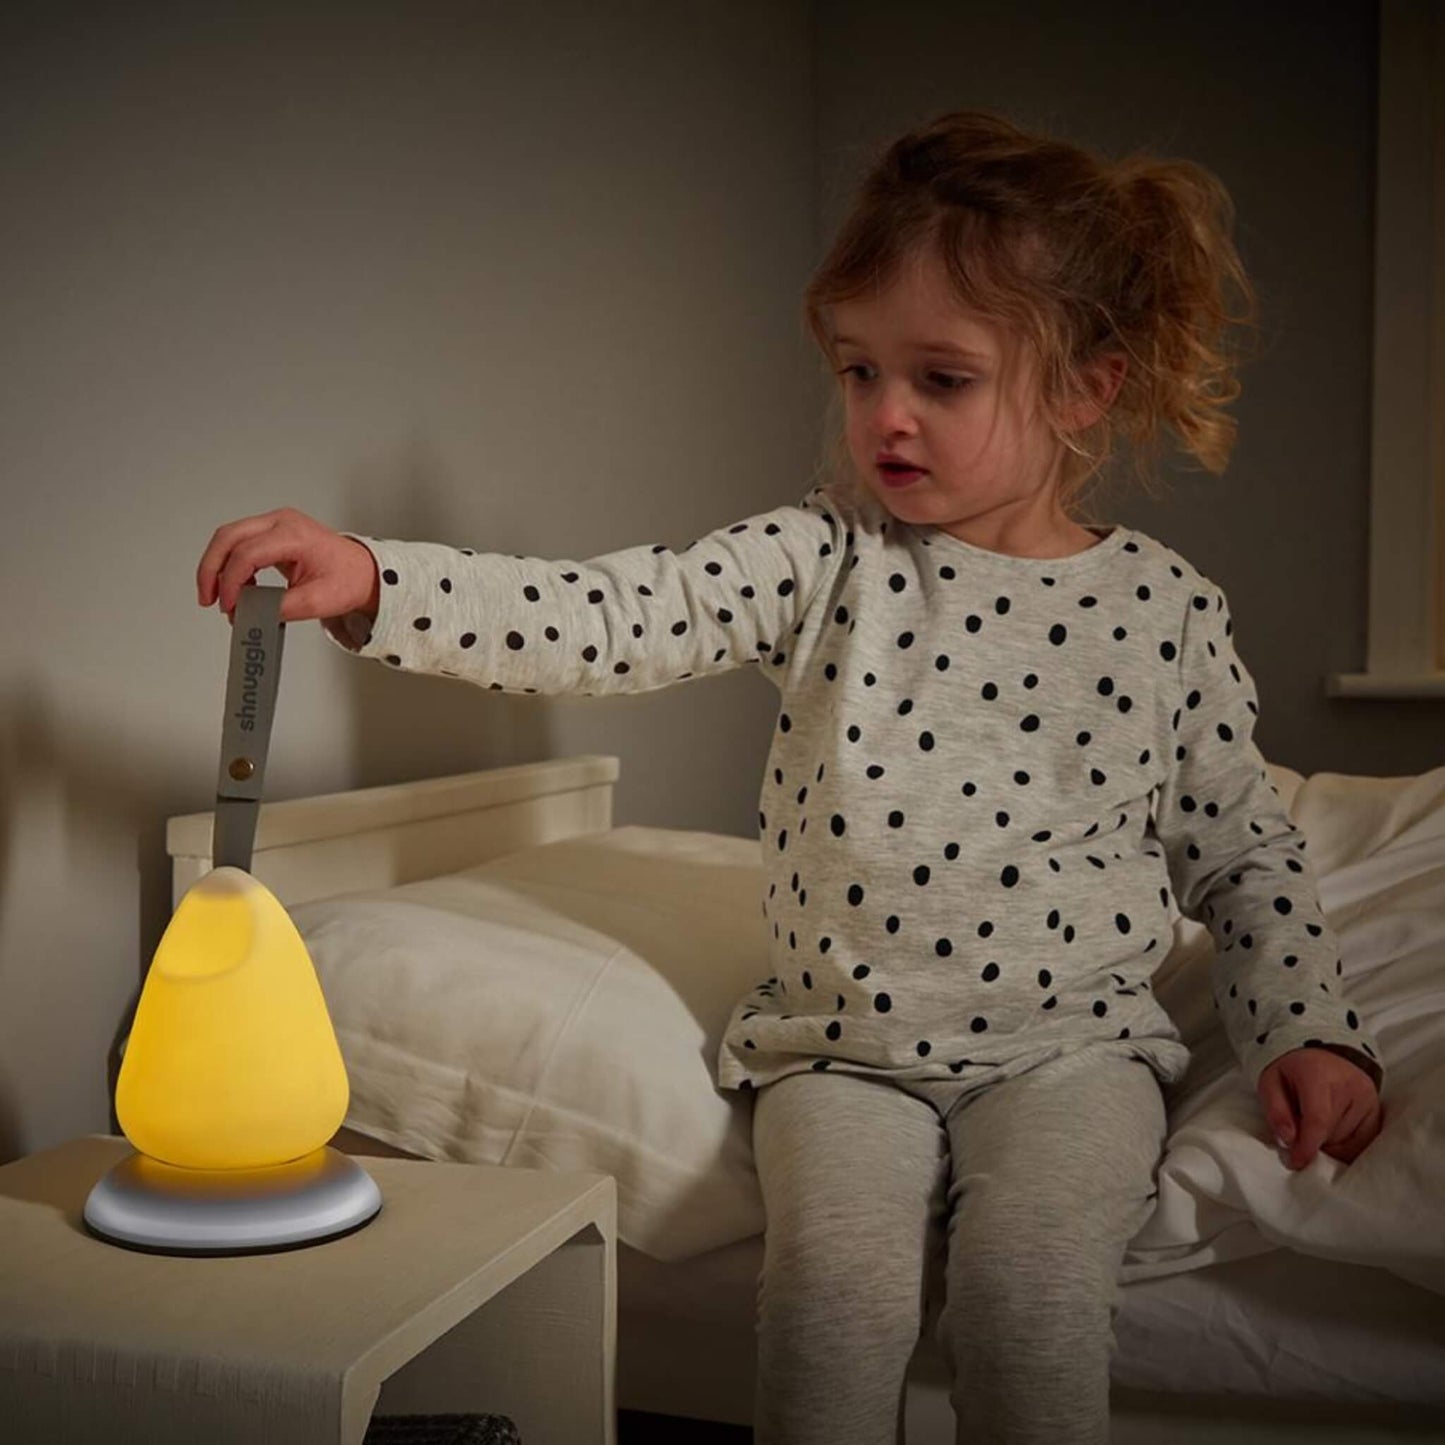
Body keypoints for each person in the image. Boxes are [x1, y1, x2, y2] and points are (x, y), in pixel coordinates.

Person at [197, 108, 1385, 1445]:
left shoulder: (1163, 612)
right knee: (829, 1310)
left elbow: (1245, 850)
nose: (884, 413)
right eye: (857, 368)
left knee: (1025, 1302)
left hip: (1071, 1053)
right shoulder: (825, 559)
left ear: (1081, 387)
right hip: (843, 1054)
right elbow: (611, 614)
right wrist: (380, 579)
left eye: (941, 378)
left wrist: (1308, 1027)